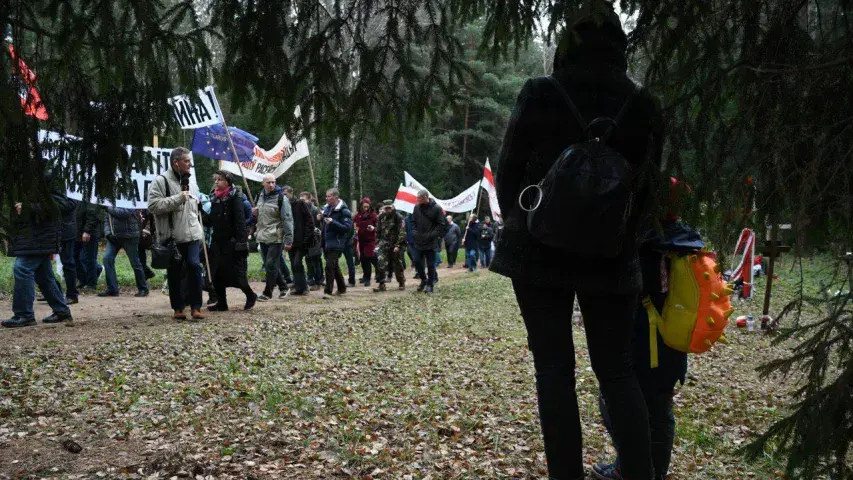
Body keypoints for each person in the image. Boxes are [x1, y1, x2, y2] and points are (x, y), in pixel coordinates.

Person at [490, 5, 664, 479]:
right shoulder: (644, 104)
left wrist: (519, 226)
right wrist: (627, 243)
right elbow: (650, 189)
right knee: (618, 372)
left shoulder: (542, 93)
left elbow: (508, 171)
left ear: (568, 43)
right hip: (613, 257)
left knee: (553, 371)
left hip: (537, 252)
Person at [592, 209, 700, 480]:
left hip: (646, 340)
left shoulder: (646, 242)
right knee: (659, 408)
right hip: (673, 338)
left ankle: (631, 468)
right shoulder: (686, 240)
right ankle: (649, 471)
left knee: (616, 400)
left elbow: (634, 289)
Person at [3, 161, 73, 328]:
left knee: (22, 268)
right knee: (44, 275)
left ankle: (24, 314)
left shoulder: (51, 173)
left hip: (42, 234)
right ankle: (62, 311)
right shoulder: (22, 174)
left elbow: (65, 204)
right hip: (31, 235)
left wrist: (28, 208)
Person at [147, 147, 206, 321]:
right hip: (172, 237)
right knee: (174, 273)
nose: (190, 164)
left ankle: (196, 307)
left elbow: (194, 208)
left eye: (190, 161)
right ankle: (178, 308)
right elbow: (153, 206)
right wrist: (178, 198)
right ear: (176, 162)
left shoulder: (192, 182)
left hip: (193, 235)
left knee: (194, 266)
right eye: (186, 161)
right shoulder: (161, 181)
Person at [206, 171, 257, 311]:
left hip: (233, 242)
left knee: (238, 276)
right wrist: (201, 212)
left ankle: (251, 295)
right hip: (218, 242)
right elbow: (211, 220)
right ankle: (222, 303)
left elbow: (240, 222)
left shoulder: (235, 197)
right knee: (216, 274)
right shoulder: (214, 198)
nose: (216, 182)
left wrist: (241, 243)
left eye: (220, 179)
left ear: (227, 182)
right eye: (215, 179)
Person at [253, 173, 294, 301]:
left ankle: (267, 292)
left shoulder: (281, 198)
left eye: (273, 182)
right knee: (269, 264)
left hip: (276, 236)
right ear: (263, 184)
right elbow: (257, 217)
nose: (271, 185)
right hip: (262, 235)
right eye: (268, 182)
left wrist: (289, 238)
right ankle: (283, 287)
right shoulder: (258, 196)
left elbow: (287, 219)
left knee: (271, 263)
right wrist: (253, 213)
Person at [100, 207, 149, 297]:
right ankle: (112, 289)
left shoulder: (129, 197)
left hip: (130, 236)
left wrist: (108, 208)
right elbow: (107, 218)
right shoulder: (110, 201)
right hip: (114, 237)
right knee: (107, 259)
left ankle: (143, 288)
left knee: (135, 262)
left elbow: (124, 213)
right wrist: (108, 233)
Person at [411, 190, 447, 294]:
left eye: (420, 198)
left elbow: (441, 224)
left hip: (431, 241)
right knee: (417, 261)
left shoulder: (436, 208)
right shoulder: (416, 208)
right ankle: (423, 280)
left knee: (431, 264)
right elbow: (413, 221)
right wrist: (414, 232)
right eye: (417, 198)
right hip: (418, 240)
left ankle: (430, 285)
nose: (418, 200)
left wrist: (432, 235)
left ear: (426, 197)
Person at [320, 188, 353, 297]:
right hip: (327, 242)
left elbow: (347, 228)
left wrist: (333, 222)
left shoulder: (344, 211)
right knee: (334, 266)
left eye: (329, 196)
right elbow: (325, 225)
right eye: (326, 196)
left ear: (336, 197)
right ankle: (342, 288)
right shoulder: (326, 209)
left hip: (337, 242)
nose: (327, 198)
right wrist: (320, 218)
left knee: (329, 266)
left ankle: (328, 292)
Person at [285, 186, 315, 296]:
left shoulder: (300, 204)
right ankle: (299, 287)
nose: (284, 197)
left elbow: (309, 220)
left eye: (285, 194)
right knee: (293, 264)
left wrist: (307, 237)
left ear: (291, 193)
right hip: (290, 240)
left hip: (301, 240)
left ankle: (304, 287)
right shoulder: (284, 206)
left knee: (297, 262)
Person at [372, 200, 407, 292]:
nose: (387, 210)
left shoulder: (398, 217)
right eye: (386, 208)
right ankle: (381, 284)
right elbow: (378, 230)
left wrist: (398, 245)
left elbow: (402, 232)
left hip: (395, 244)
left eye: (389, 208)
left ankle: (401, 282)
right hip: (383, 243)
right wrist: (377, 243)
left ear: (392, 207)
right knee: (380, 262)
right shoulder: (381, 217)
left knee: (397, 264)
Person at [74, 200, 104, 291]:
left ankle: (91, 284)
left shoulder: (90, 195)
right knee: (75, 257)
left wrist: (87, 230)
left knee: (88, 258)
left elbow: (93, 213)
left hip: (89, 232)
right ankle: (83, 280)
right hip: (77, 231)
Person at [55, 193, 79, 304]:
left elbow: (70, 205)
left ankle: (72, 295)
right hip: (51, 229)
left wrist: (50, 201)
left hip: (66, 230)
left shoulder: (70, 185)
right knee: (42, 262)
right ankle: (54, 291)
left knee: (68, 262)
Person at [301, 192, 325, 289]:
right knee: (308, 259)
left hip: (315, 239)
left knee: (316, 260)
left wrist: (320, 219)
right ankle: (311, 278)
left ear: (309, 200)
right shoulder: (302, 209)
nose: (302, 202)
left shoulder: (315, 210)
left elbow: (321, 226)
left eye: (304, 200)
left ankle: (318, 281)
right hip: (306, 239)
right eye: (301, 200)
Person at [355, 197, 379, 286]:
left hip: (370, 241)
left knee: (369, 257)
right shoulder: (358, 215)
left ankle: (369, 278)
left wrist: (373, 228)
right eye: (364, 207)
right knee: (363, 259)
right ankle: (365, 276)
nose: (365, 209)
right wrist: (355, 229)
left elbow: (379, 227)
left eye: (367, 207)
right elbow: (354, 224)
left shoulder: (373, 215)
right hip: (361, 241)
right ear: (361, 206)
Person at [137, 209, 157, 280]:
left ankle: (146, 274)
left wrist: (145, 232)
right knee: (139, 257)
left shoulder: (147, 208)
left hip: (145, 234)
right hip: (139, 233)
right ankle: (147, 273)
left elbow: (149, 220)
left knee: (139, 258)